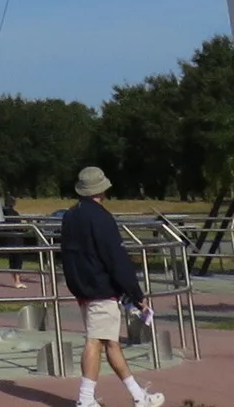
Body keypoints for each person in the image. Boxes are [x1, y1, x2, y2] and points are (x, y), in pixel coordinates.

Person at [59, 167, 165, 407]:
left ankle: (138, 396)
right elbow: (115, 258)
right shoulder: (101, 218)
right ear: (103, 189)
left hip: (82, 287)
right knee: (96, 341)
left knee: (110, 342)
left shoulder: (70, 216)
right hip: (101, 288)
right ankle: (85, 399)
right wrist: (135, 294)